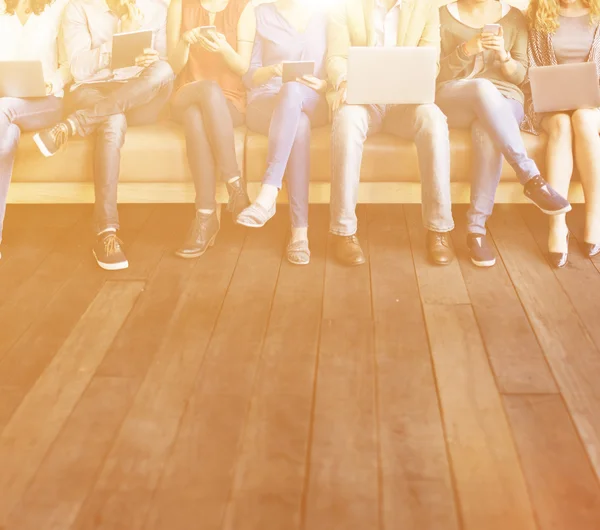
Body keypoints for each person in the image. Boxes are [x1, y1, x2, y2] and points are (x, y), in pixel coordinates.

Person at [32, 0, 175, 271]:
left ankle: (73, 125)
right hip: (94, 90)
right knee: (112, 120)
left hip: (139, 95)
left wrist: (151, 58)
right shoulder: (79, 8)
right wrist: (118, 44)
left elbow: (164, 62)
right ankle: (106, 233)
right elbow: (77, 68)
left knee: (165, 71)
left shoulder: (156, 8)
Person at [437, 0, 571, 268]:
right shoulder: (442, 16)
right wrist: (466, 50)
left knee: (486, 129)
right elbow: (437, 74)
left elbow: (520, 76)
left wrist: (504, 58)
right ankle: (530, 177)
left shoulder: (514, 18)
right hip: (457, 97)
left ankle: (476, 230)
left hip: (505, 101)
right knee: (482, 88)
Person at [327, 0, 457, 266]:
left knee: (433, 118)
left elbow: (431, 62)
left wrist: (413, 79)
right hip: (363, 101)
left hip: (405, 103)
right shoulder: (345, 6)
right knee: (346, 119)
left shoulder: (425, 7)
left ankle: (439, 229)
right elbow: (335, 57)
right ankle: (344, 231)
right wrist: (344, 80)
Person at [236, 0, 328, 266]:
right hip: (267, 102)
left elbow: (337, 66)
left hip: (313, 99)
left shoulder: (325, 15)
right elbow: (249, 76)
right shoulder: (260, 14)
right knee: (297, 123)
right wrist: (273, 70)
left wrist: (322, 83)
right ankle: (300, 234)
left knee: (293, 92)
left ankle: (267, 194)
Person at [169, 0, 255, 259]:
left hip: (228, 102)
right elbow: (172, 67)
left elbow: (242, 67)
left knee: (197, 117)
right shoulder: (180, 5)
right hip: (186, 93)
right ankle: (235, 185)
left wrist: (224, 48)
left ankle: (205, 219)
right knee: (207, 90)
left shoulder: (244, 8)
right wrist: (185, 40)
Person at [523, 0, 600, 267]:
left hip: (594, 105)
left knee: (582, 118)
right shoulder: (537, 14)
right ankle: (557, 225)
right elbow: (531, 69)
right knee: (561, 124)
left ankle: (594, 216)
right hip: (550, 103)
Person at [0, 0, 70, 260]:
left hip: (46, 102)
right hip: (6, 107)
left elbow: (69, 64)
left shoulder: (59, 7)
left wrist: (52, 83)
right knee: (7, 138)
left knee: (4, 110)